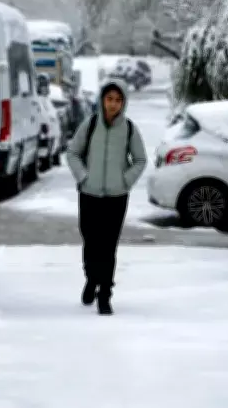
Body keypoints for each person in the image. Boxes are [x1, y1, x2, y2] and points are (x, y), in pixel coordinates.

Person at [66, 79, 147, 315]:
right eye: (109, 99)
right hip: (89, 194)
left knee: (108, 245)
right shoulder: (90, 124)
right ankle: (91, 279)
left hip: (116, 197)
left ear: (124, 103)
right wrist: (82, 177)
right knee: (91, 241)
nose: (113, 105)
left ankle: (105, 294)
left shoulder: (129, 129)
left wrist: (125, 180)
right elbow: (73, 152)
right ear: (102, 100)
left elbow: (140, 160)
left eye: (118, 100)